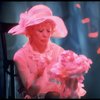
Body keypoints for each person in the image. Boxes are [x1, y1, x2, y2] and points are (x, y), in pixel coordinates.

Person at [8, 4, 92, 99]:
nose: (45, 35)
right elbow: (31, 91)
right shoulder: (20, 56)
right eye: (40, 30)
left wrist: (73, 75)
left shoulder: (59, 51)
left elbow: (68, 88)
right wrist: (43, 71)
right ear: (30, 31)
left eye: (48, 31)